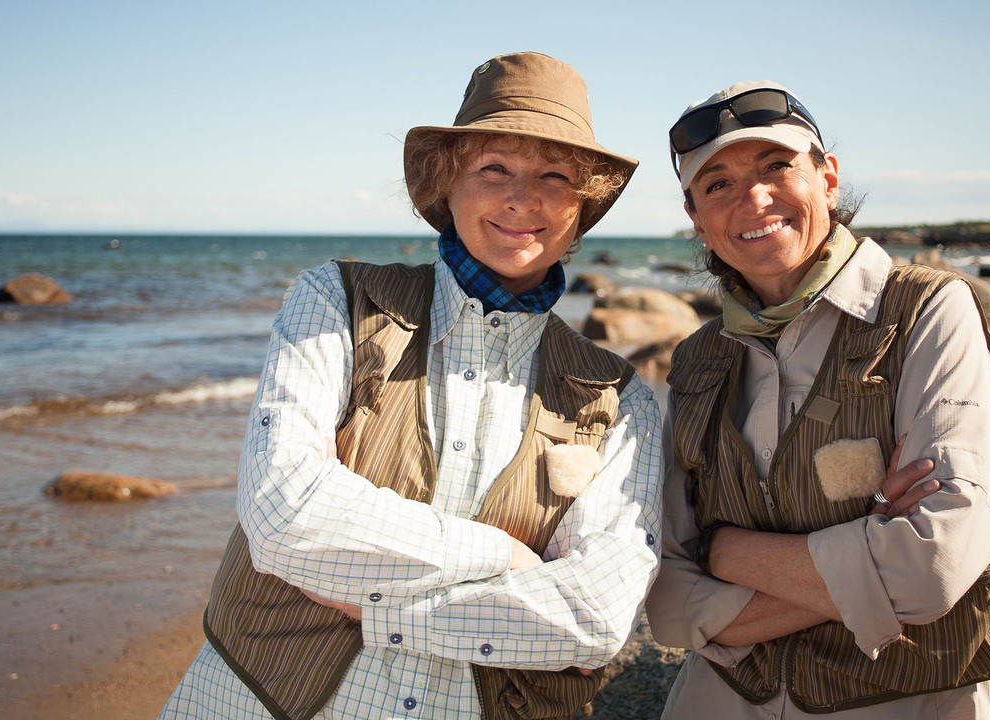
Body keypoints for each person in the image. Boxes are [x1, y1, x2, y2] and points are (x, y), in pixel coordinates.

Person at [159, 52, 662, 720]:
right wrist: (509, 558)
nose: (522, 197)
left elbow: (595, 618)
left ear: (580, 205)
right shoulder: (337, 301)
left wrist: (374, 607)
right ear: (447, 185)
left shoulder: (618, 399)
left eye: (554, 175)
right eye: (494, 168)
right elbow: (281, 514)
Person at [644, 80, 990, 718]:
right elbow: (667, 602)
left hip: (904, 701)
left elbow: (932, 567)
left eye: (776, 167)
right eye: (718, 184)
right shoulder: (696, 360)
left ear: (827, 180)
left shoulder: (927, 311)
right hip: (722, 699)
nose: (754, 199)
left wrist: (725, 552)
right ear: (697, 220)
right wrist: (869, 546)